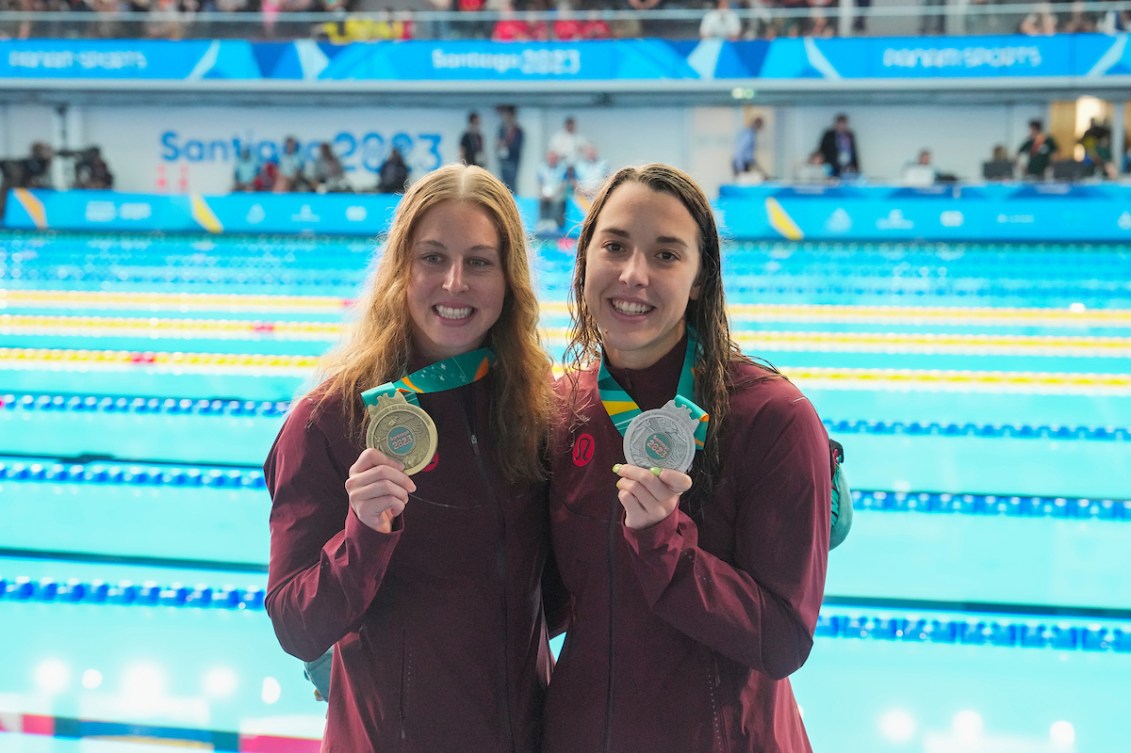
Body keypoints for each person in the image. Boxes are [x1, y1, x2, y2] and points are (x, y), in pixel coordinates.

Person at [264, 164, 558, 751]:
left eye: (479, 261)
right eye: (432, 257)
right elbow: (297, 625)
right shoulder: (331, 419)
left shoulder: (533, 404)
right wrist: (364, 536)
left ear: (509, 278)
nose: (455, 283)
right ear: (401, 269)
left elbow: (547, 591)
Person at [543, 164, 832, 753]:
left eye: (666, 255)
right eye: (615, 246)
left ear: (700, 279)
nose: (633, 274)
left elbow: (781, 639)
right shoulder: (559, 409)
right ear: (584, 259)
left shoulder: (771, 417)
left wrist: (663, 543)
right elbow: (539, 598)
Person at [817, 112, 860, 177]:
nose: (842, 125)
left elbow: (854, 152)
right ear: (836, 124)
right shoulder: (828, 135)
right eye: (840, 123)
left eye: (844, 123)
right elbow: (822, 150)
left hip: (847, 166)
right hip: (831, 166)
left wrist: (855, 166)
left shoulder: (850, 135)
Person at [496, 105, 525, 193]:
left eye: (507, 115)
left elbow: (517, 147)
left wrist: (506, 144)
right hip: (503, 160)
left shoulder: (518, 131)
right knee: (502, 184)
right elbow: (497, 144)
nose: (506, 118)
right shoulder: (501, 129)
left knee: (512, 184)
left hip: (513, 161)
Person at [732, 114, 764, 178]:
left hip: (745, 164)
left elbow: (750, 156)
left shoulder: (752, 134)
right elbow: (740, 151)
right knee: (742, 183)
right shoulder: (748, 135)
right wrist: (740, 169)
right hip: (741, 164)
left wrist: (758, 167)